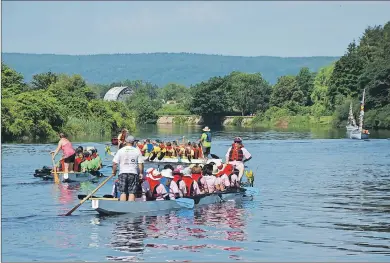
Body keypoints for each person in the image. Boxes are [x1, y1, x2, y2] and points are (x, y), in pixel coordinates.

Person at [112, 135, 144, 201]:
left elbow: (115, 163)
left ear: (126, 141)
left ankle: (122, 207)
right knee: (132, 192)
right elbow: (140, 164)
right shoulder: (137, 151)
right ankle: (130, 207)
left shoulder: (120, 150)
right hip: (133, 173)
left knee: (123, 192)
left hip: (122, 173)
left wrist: (114, 172)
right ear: (133, 142)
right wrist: (141, 173)